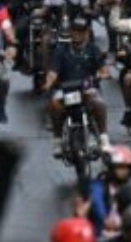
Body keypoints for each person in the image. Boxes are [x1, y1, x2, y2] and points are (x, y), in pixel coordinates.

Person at [45, 17, 111, 156]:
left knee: (98, 103)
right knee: (54, 105)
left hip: (88, 88)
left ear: (87, 33)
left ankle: (104, 138)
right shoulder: (61, 50)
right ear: (70, 32)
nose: (77, 34)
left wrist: (101, 75)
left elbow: (104, 69)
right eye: (74, 31)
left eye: (81, 32)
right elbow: (53, 72)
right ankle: (57, 140)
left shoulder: (93, 49)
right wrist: (48, 83)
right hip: (65, 89)